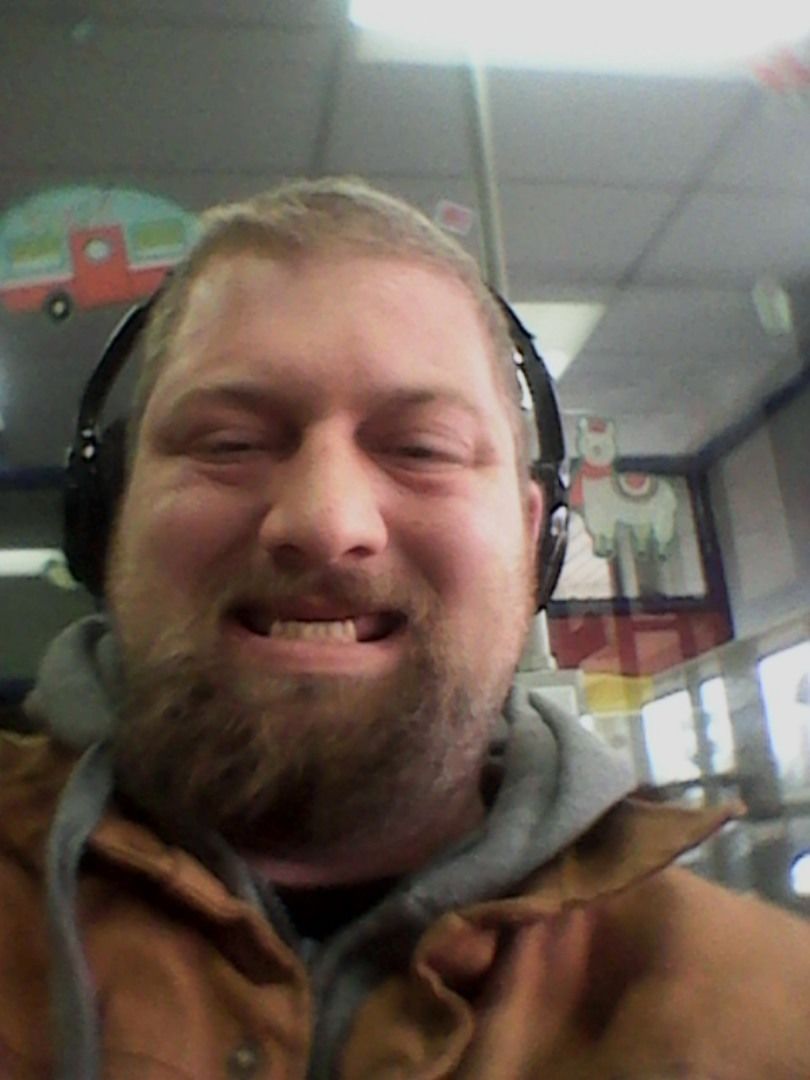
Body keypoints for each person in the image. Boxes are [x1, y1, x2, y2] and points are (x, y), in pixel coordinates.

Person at [1, 177, 809, 1080]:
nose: (325, 521)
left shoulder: (773, 1017)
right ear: (109, 517)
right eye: (230, 443)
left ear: (532, 540)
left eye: (422, 449)